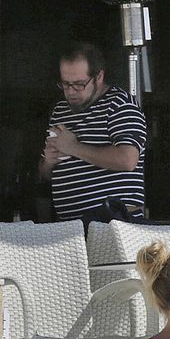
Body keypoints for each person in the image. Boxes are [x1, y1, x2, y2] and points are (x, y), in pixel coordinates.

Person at [39, 42, 147, 224]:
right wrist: (48, 162)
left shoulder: (120, 104)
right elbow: (45, 174)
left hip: (112, 223)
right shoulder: (60, 110)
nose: (71, 92)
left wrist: (74, 147)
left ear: (99, 77)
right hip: (68, 225)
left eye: (79, 84)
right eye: (65, 84)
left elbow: (127, 159)